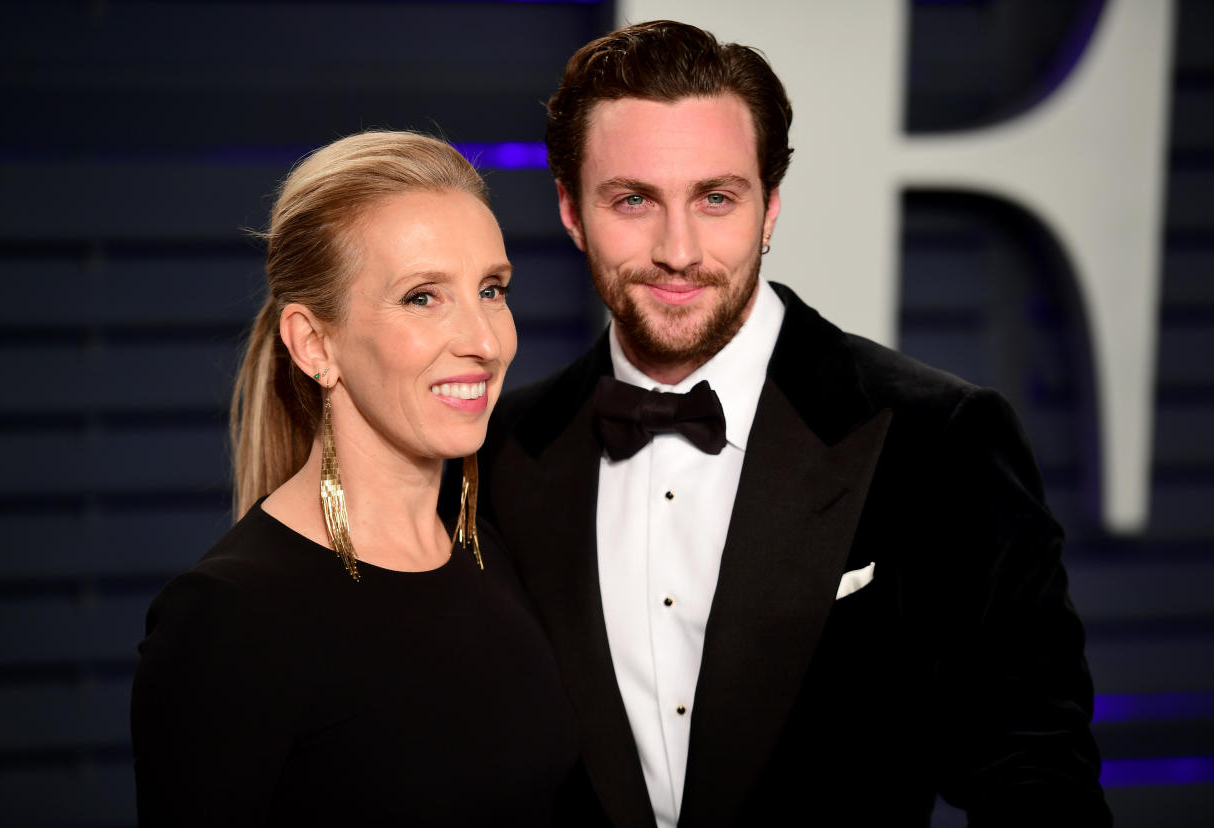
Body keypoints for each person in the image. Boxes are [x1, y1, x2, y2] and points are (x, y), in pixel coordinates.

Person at [475, 21, 1111, 827]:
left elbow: (1037, 781)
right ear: (570, 211)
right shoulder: (502, 452)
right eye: (633, 200)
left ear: (770, 207)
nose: (679, 249)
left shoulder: (941, 438)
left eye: (716, 198)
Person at [131, 131, 579, 826]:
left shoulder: (496, 555)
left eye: (492, 289)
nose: (487, 342)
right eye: (423, 297)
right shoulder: (229, 620)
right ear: (314, 344)